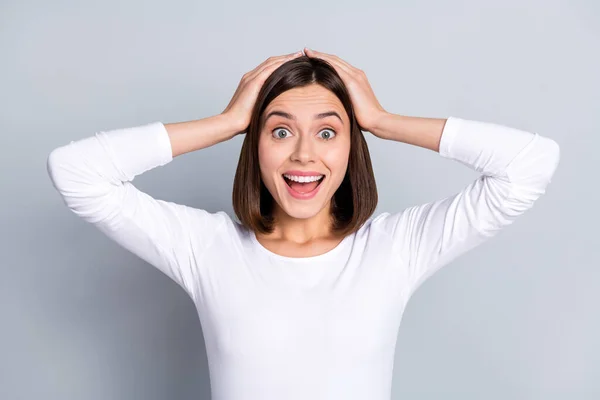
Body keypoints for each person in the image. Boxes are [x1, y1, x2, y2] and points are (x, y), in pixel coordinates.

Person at [47, 48, 560, 400]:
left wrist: (380, 121)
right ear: (256, 144)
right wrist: (227, 122)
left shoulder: (394, 249)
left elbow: (528, 165)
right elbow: (77, 173)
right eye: (281, 130)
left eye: (328, 132)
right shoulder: (206, 248)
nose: (304, 155)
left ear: (351, 146)